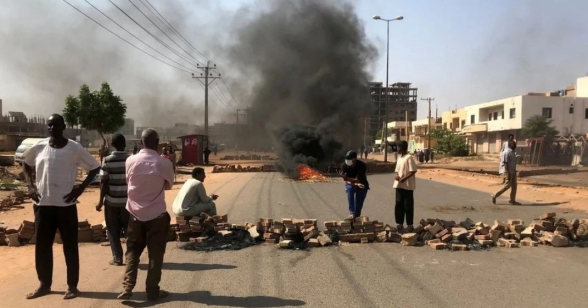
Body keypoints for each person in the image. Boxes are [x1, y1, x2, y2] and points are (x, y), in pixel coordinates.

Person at [22, 114, 100, 300]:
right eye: (49, 125)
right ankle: (44, 284)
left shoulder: (74, 148)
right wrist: (31, 186)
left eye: (56, 125)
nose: (52, 128)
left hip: (66, 206)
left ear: (64, 126)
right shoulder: (39, 147)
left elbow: (95, 168)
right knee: (42, 246)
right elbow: (25, 164)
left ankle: (72, 286)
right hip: (43, 205)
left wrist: (79, 190)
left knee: (70, 246)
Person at [118, 129, 174, 301]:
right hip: (157, 215)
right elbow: (168, 186)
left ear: (140, 143)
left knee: (132, 251)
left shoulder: (130, 161)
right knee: (155, 254)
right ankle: (152, 290)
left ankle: (128, 287)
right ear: (157, 144)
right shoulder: (164, 163)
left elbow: (129, 181)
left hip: (134, 214)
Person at [96, 133, 130, 266]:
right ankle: (131, 257)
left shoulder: (107, 160)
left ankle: (117, 258)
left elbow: (104, 182)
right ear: (125, 144)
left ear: (112, 145)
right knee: (128, 230)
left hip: (111, 202)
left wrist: (100, 202)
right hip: (128, 202)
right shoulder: (131, 160)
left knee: (113, 230)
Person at [393, 141, 417, 233]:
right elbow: (397, 170)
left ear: (401, 148)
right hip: (399, 185)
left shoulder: (409, 158)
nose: (397, 149)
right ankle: (399, 224)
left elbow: (413, 171)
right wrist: (397, 176)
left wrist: (404, 178)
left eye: (397, 147)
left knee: (408, 206)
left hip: (407, 186)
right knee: (398, 204)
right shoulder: (400, 158)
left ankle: (410, 225)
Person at [339, 150, 369, 219]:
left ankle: (356, 217)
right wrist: (345, 179)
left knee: (358, 206)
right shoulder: (344, 166)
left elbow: (358, 180)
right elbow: (345, 180)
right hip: (351, 184)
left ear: (354, 159)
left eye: (349, 159)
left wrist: (347, 178)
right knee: (350, 188)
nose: (347, 160)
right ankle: (351, 212)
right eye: (346, 159)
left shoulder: (362, 165)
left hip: (362, 184)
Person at [492, 140, 520, 205]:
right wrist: (508, 173)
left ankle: (512, 200)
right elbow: (505, 163)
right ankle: (494, 195)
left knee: (514, 186)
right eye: (513, 144)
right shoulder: (506, 152)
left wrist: (514, 170)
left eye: (515, 144)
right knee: (507, 186)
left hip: (513, 171)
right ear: (509, 145)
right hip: (508, 171)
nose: (515, 145)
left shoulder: (513, 152)